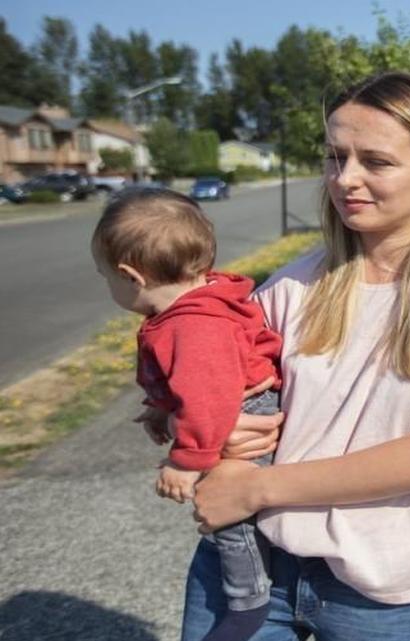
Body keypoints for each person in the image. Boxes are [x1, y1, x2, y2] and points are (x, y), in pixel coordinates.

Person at [182, 71, 410, 641]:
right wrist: (212, 430)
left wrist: (257, 487)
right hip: (253, 566)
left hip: (389, 588)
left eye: (375, 162)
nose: (346, 179)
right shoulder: (293, 286)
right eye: (336, 157)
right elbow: (204, 388)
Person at [90, 188, 283, 641]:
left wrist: (187, 459)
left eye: (105, 278)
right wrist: (161, 410)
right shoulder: (194, 304)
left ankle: (249, 600)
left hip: (241, 408)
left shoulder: (192, 326)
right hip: (223, 406)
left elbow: (210, 398)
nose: (109, 287)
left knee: (230, 507)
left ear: (130, 276)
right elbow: (189, 387)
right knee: (228, 502)